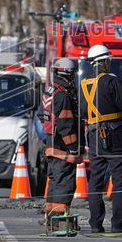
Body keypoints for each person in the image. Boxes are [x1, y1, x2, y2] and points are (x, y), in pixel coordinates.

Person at [80, 45, 122, 233]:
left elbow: (83, 112)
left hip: (93, 135)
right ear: (104, 62)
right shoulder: (111, 81)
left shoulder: (84, 85)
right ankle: (118, 224)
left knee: (95, 181)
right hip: (113, 135)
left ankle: (95, 225)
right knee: (120, 180)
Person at [42, 58, 82, 215]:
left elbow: (42, 116)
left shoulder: (50, 91)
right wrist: (73, 147)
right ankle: (59, 220)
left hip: (51, 145)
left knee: (55, 181)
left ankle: (50, 216)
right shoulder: (63, 96)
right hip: (62, 148)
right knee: (65, 183)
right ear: (68, 74)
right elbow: (66, 125)